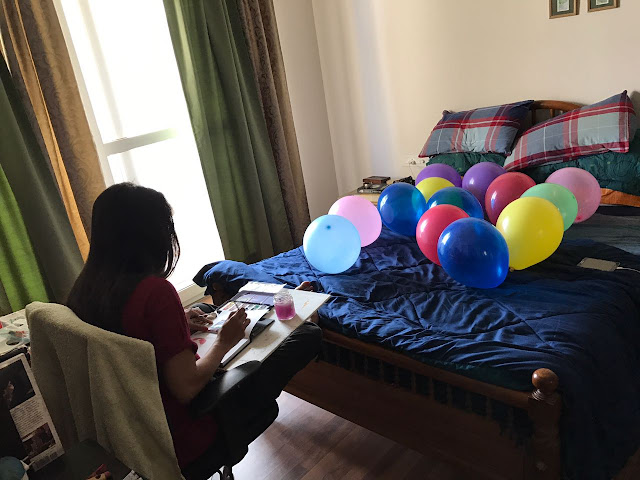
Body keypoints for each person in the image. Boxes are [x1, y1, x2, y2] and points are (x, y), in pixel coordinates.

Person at [67, 183, 322, 470]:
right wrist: (224, 342)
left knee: (206, 311)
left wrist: (179, 322)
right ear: (151, 237)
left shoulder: (85, 288)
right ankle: (243, 411)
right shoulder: (155, 292)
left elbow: (130, 340)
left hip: (132, 423)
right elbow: (186, 388)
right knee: (306, 336)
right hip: (186, 433)